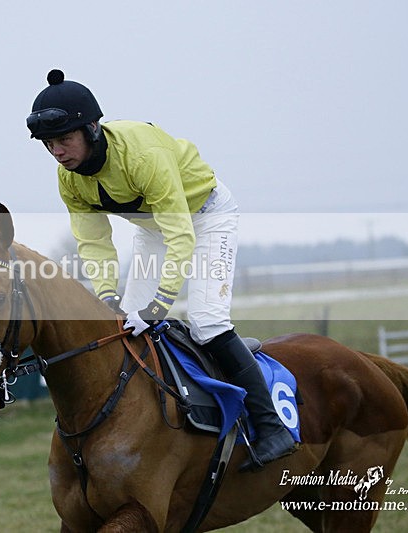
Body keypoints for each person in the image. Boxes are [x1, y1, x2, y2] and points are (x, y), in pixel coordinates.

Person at [26, 69, 297, 471]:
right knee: (124, 328)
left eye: (65, 140)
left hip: (204, 217)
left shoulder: (142, 157)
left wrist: (159, 305)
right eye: (50, 144)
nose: (58, 152)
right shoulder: (69, 179)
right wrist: (108, 297)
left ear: (92, 129)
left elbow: (181, 235)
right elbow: (94, 243)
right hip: (152, 227)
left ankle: (270, 424)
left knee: (206, 321)